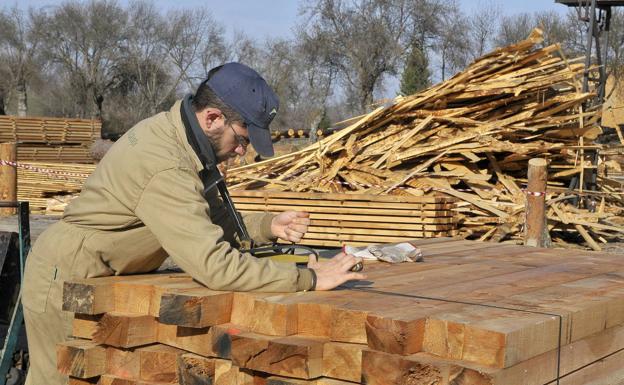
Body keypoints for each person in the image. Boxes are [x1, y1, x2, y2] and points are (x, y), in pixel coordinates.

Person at [22, 62, 365, 385]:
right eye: (242, 139)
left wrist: (266, 226)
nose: (242, 151)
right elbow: (214, 266)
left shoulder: (185, 139)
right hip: (66, 278)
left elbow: (202, 218)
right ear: (213, 117)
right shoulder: (166, 163)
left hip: (101, 275)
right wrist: (309, 278)